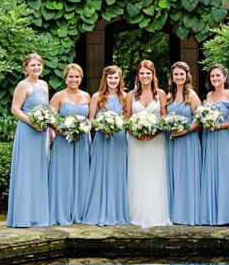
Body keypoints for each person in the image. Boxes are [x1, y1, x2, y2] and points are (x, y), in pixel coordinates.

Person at [123, 60, 172, 228]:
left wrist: (155, 132)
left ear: (153, 75)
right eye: (142, 73)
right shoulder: (131, 94)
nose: (145, 76)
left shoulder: (161, 94)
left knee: (155, 176)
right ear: (138, 75)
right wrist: (136, 132)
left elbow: (164, 116)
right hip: (136, 142)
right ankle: (135, 214)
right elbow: (127, 118)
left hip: (156, 141)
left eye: (148, 73)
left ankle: (156, 214)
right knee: (137, 174)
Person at [6, 53, 51, 227]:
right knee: (26, 171)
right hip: (27, 132)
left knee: (40, 171)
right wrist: (32, 122)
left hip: (42, 133)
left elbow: (46, 108)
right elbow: (15, 109)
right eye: (32, 65)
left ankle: (38, 215)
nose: (36, 68)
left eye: (38, 65)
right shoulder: (22, 85)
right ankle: (23, 216)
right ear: (26, 68)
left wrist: (50, 128)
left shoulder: (44, 85)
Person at [82, 65, 129, 225]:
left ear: (120, 79)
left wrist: (118, 123)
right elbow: (91, 119)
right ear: (105, 79)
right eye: (110, 78)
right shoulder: (97, 96)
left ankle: (117, 212)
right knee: (101, 172)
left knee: (118, 172)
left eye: (116, 78)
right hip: (102, 138)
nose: (113, 81)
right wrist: (102, 126)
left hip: (119, 140)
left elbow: (128, 118)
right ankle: (99, 210)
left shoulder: (125, 96)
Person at [199, 64, 229, 225]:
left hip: (225, 139)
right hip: (210, 139)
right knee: (210, 171)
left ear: (225, 77)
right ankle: (211, 214)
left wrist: (220, 125)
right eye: (212, 76)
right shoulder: (209, 95)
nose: (215, 78)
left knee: (226, 172)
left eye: (218, 76)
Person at [49, 63, 91, 224]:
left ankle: (80, 211)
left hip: (82, 140)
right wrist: (63, 131)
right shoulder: (58, 96)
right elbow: (51, 120)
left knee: (82, 174)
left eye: (77, 76)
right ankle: (62, 212)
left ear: (81, 78)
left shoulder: (87, 96)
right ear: (65, 78)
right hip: (63, 140)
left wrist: (82, 129)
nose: (74, 79)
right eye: (71, 76)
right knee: (63, 174)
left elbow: (90, 119)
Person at [165, 61, 202, 225]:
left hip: (187, 140)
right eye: (176, 74)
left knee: (186, 175)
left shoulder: (192, 96)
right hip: (172, 141)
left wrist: (184, 131)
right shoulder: (169, 96)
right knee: (173, 175)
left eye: (181, 74)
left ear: (187, 76)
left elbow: (200, 120)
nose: (178, 77)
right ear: (172, 77)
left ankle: (187, 214)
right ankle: (174, 213)